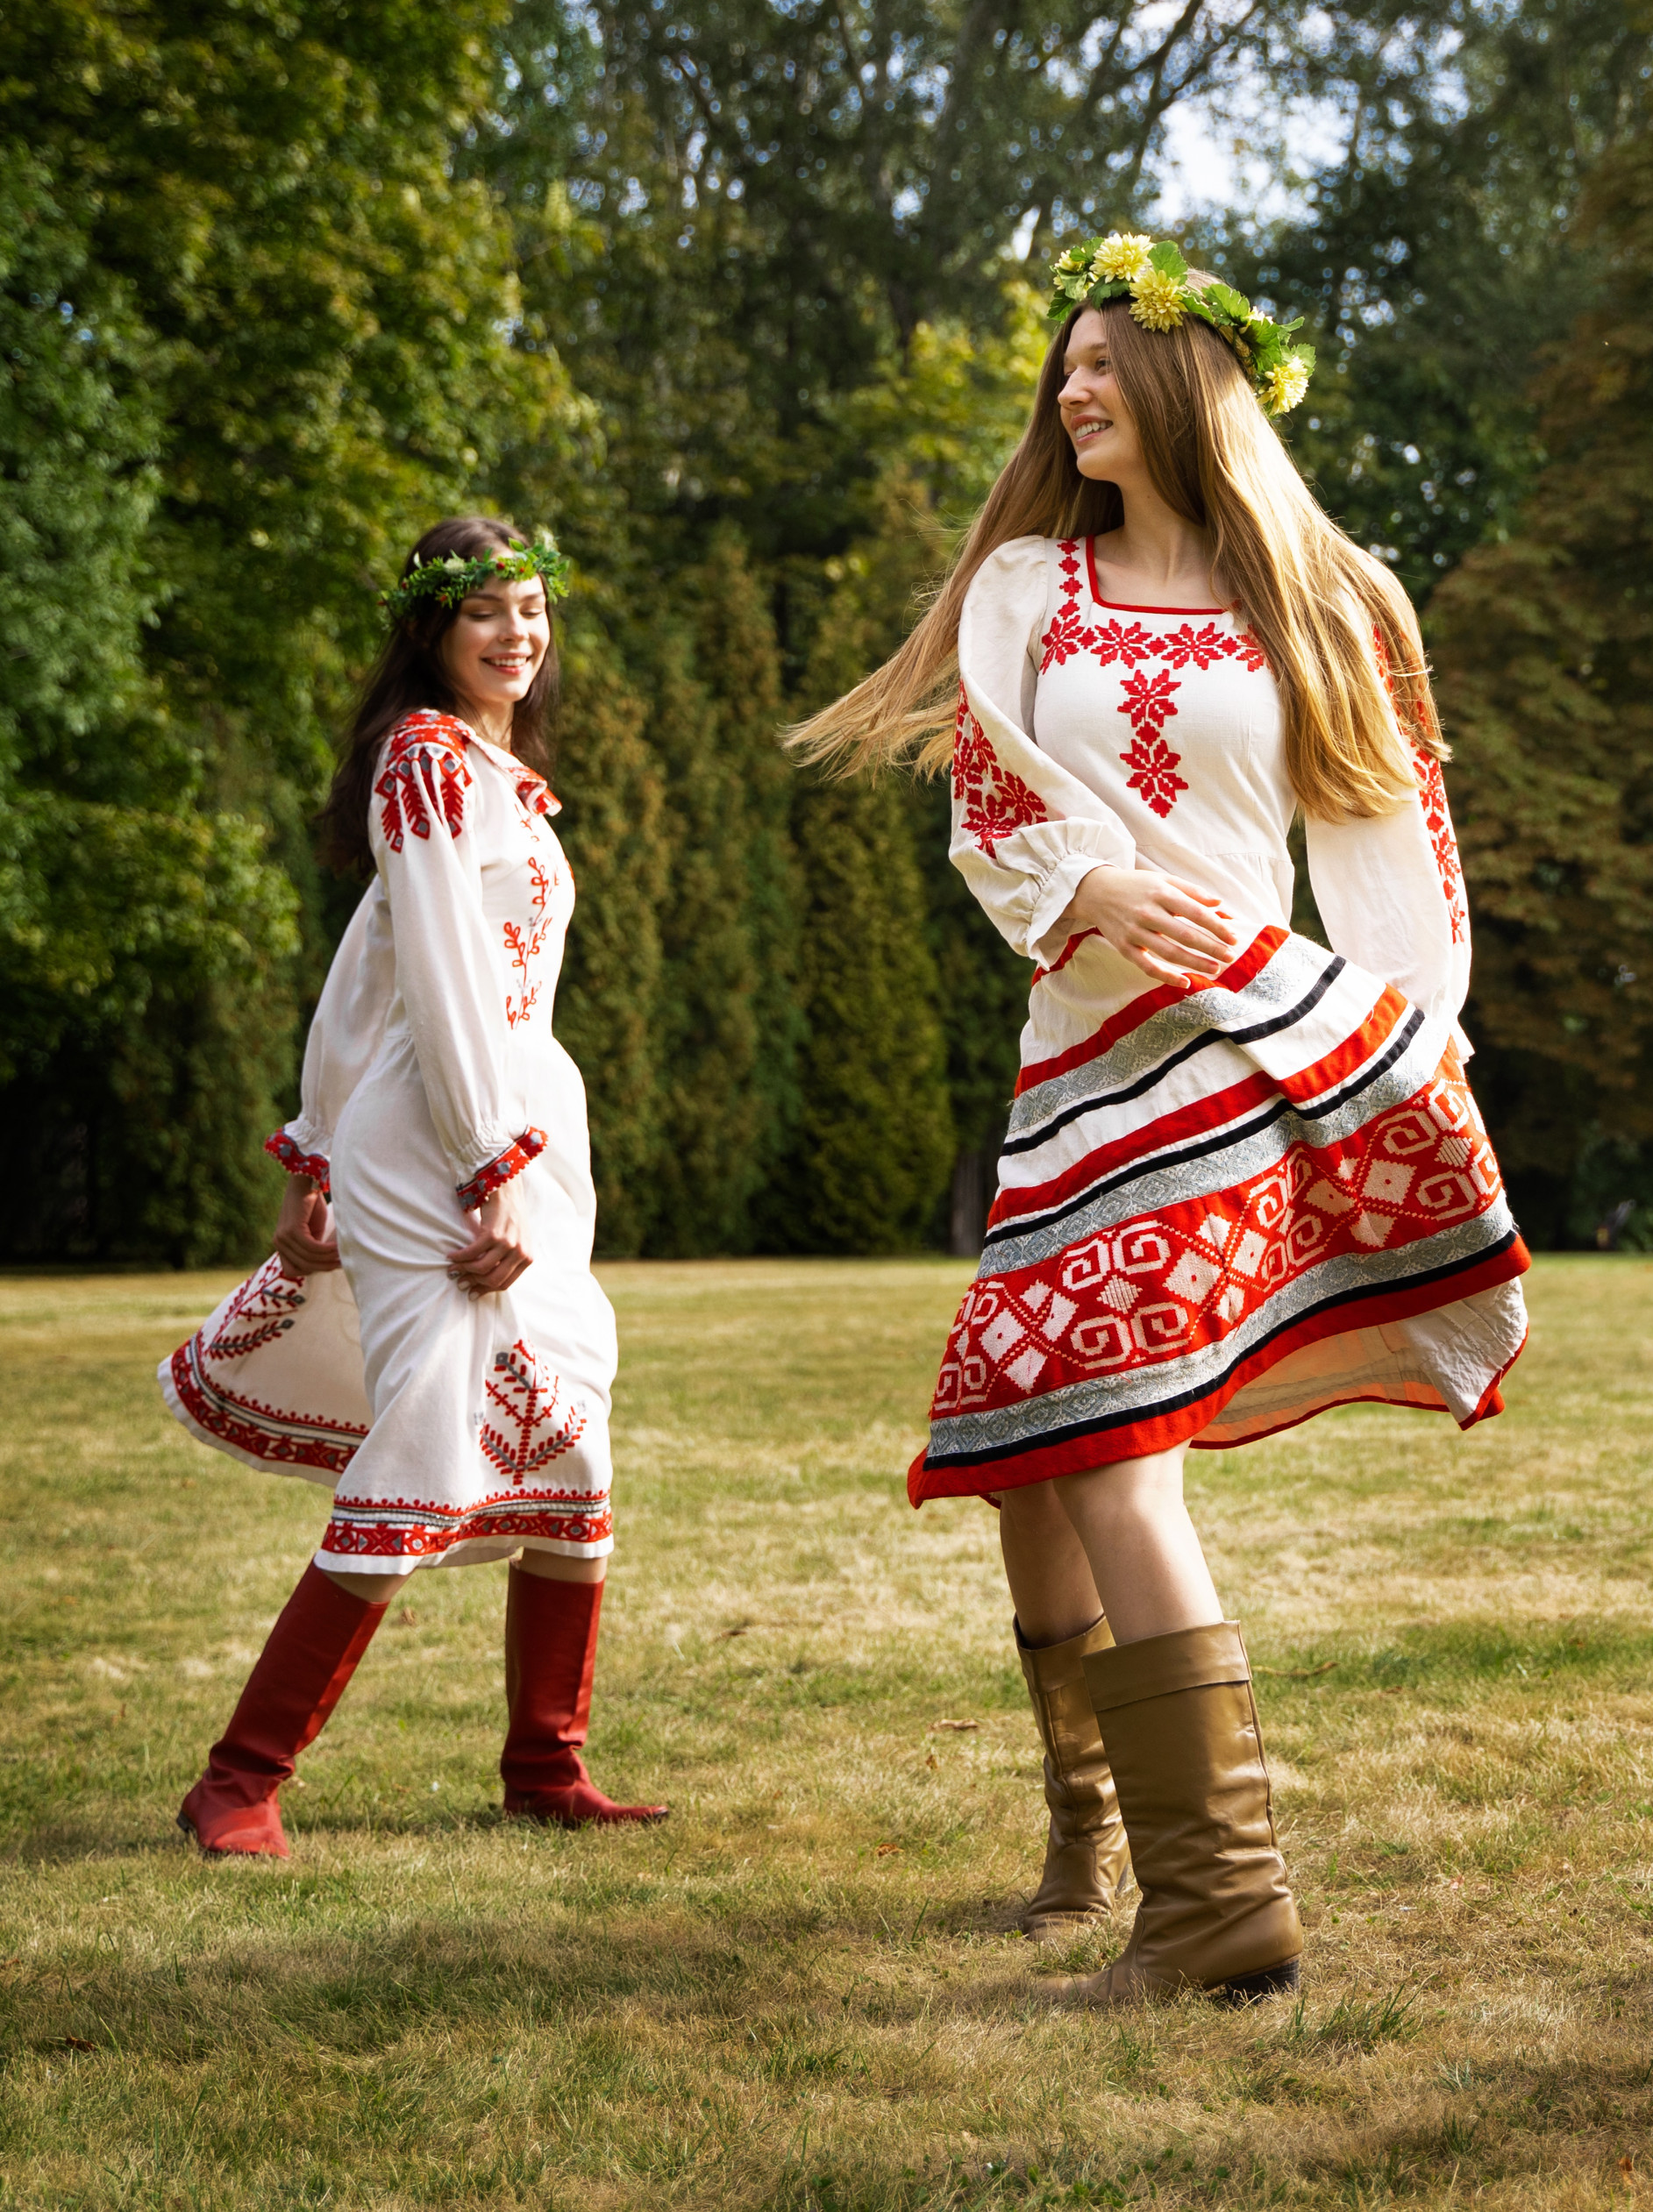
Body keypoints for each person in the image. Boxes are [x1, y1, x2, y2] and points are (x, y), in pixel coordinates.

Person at [788, 230, 1528, 2006]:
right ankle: (1091, 1831)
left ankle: (1221, 1903)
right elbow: (989, 803)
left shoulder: (1334, 597)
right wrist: (1092, 889)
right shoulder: (1027, 587)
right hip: (1076, 1057)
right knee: (1038, 1454)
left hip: (1250, 1053)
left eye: (1108, 359)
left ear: (1198, 382)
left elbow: (1395, 847)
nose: (1075, 388)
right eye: (1066, 367)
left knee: (1114, 1445)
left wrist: (1415, 1053)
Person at [164, 518, 664, 1858]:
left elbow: (364, 965)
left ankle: (546, 1766)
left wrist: (319, 1145)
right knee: (435, 1434)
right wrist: (474, 1162)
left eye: (532, 610)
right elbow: (431, 981)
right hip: (445, 1141)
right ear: (432, 631)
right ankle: (238, 1780)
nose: (517, 634)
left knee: (571, 1432)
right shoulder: (426, 761)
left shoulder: (490, 773)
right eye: (485, 612)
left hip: (512, 1126)